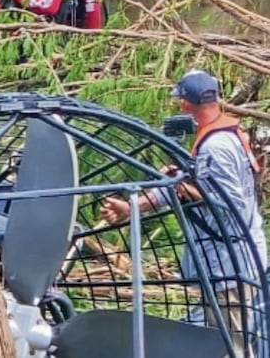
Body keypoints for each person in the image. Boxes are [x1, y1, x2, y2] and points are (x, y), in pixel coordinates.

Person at [101, 71, 266, 357]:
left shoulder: (217, 146)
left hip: (230, 265)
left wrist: (188, 191)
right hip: (224, 265)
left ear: (185, 104)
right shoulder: (218, 135)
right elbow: (185, 187)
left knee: (232, 347)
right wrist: (133, 207)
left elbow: (233, 207)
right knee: (223, 342)